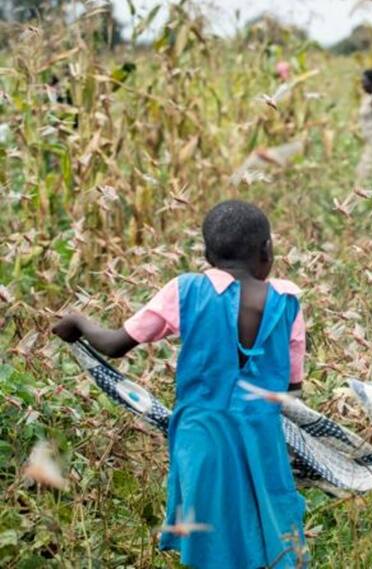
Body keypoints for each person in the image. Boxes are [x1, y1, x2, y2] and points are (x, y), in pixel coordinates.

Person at [52, 200, 308, 568]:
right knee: (272, 527)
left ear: (207, 255)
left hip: (201, 437)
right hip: (262, 439)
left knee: (212, 537)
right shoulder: (288, 303)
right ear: (267, 250)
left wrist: (78, 321)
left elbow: (115, 344)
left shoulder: (186, 290)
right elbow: (293, 389)